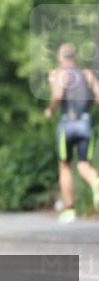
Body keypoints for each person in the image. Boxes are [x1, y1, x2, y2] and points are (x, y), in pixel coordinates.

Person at [45, 43, 99, 224]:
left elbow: (58, 95)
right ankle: (96, 183)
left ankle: (69, 210)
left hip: (67, 123)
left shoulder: (58, 74)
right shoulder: (87, 75)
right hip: (85, 122)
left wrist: (51, 110)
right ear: (74, 57)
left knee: (65, 165)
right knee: (83, 164)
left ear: (60, 58)